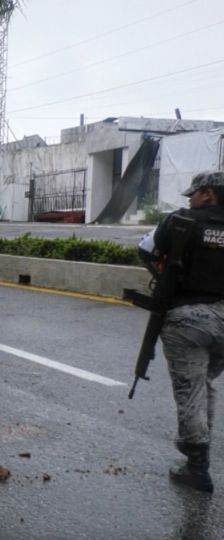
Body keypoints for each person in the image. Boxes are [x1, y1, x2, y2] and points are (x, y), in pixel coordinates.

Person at [141, 171, 224, 493]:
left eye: (194, 193)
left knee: (191, 388)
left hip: (188, 319)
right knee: (203, 384)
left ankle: (196, 466)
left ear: (208, 194)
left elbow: (145, 249)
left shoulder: (180, 221)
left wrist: (167, 277)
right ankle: (199, 451)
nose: (189, 199)